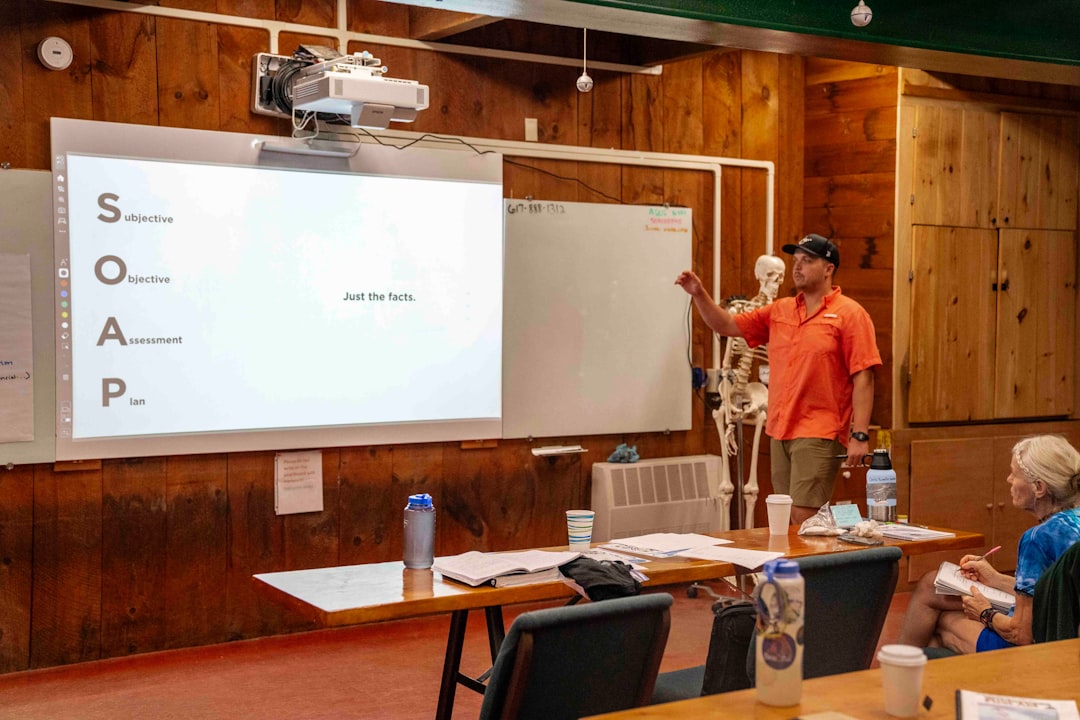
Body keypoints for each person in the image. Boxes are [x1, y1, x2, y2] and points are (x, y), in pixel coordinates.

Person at [675, 233, 882, 524]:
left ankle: (816, 568)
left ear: (828, 268)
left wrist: (859, 435)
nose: (797, 267)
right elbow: (726, 324)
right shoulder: (781, 310)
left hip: (819, 429)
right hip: (780, 428)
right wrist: (699, 293)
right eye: (795, 261)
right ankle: (793, 570)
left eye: (807, 261)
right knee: (784, 514)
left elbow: (864, 375)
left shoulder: (849, 314)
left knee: (804, 515)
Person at [897, 434, 1080, 653]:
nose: (1009, 480)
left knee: (941, 622)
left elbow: (1020, 633)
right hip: (1065, 633)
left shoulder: (1037, 539)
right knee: (932, 590)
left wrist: (985, 613)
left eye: (1015, 474)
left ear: (1039, 487)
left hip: (1037, 648)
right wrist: (994, 579)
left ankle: (896, 674)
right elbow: (1050, 590)